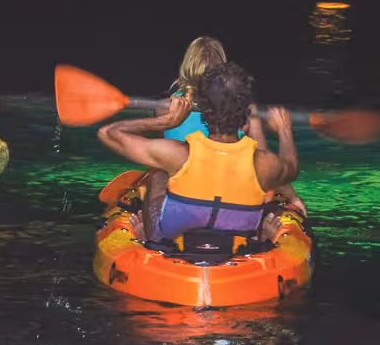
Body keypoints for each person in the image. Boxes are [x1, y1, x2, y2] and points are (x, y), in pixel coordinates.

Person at [98, 61, 299, 243]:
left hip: (174, 234)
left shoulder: (177, 155)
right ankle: (259, 235)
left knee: (158, 176)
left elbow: (108, 133)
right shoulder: (263, 164)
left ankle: (152, 239)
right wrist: (284, 131)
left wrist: (165, 121)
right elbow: (291, 167)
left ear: (203, 110)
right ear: (246, 115)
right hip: (240, 234)